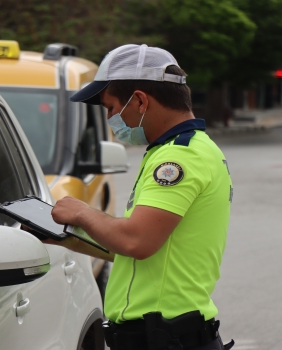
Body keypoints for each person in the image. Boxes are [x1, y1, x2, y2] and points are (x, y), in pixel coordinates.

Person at [49, 44, 234, 350]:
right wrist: (65, 238)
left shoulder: (180, 158)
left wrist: (82, 213)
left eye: (110, 108)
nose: (110, 118)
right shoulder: (178, 149)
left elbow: (137, 241)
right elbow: (133, 248)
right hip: (163, 337)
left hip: (167, 339)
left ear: (139, 100)